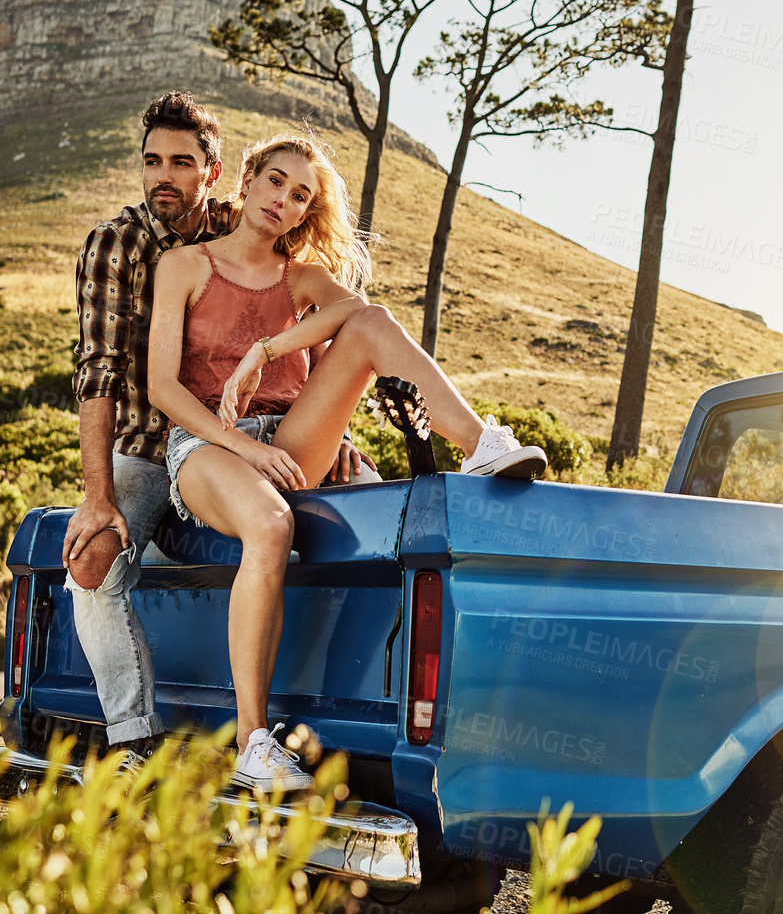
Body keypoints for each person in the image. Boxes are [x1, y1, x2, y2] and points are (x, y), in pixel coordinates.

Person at [148, 131, 545, 790]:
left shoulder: (302, 279)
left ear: (306, 212)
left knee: (368, 323)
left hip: (290, 438)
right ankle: (253, 741)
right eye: (275, 181)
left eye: (300, 195)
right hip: (208, 444)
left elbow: (356, 312)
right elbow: (164, 388)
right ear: (246, 181)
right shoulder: (185, 267)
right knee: (271, 525)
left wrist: (266, 352)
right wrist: (244, 446)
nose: (283, 199)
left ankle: (480, 446)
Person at [64, 92, 370, 766]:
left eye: (180, 162)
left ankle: (323, 722)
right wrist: (96, 495)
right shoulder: (118, 242)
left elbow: (307, 324)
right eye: (151, 162)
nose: (162, 177)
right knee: (91, 565)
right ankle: (132, 737)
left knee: (369, 524)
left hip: (266, 431)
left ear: (214, 170)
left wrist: (334, 428)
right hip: (151, 446)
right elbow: (99, 373)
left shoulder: (253, 217)